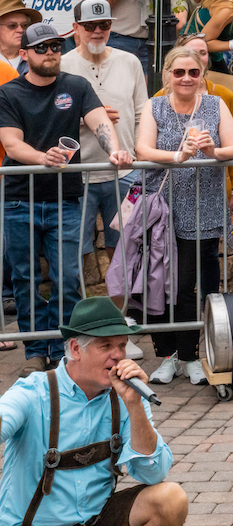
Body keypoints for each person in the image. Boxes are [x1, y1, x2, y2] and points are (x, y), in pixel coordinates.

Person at [0, 23, 133, 372]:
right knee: (25, 278)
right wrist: (42, 158)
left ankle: (64, 351)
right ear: (25, 54)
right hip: (19, 200)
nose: (51, 54)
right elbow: (12, 144)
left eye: (56, 47)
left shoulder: (76, 86)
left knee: (68, 278)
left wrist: (115, 151)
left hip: (66, 199)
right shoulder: (8, 92)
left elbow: (100, 121)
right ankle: (34, 350)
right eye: (42, 48)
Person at [0, 297, 187, 526]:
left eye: (121, 345)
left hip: (97, 519)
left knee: (171, 499)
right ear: (76, 349)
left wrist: (135, 406)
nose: (118, 355)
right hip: (36, 522)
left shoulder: (127, 394)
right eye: (106, 346)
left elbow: (152, 473)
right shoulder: (33, 392)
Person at [134, 45, 233, 385]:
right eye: (178, 72)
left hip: (203, 204)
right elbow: (143, 149)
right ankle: (168, 355)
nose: (186, 78)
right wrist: (177, 156)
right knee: (160, 283)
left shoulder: (215, 103)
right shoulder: (155, 105)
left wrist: (213, 151)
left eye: (193, 72)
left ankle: (189, 355)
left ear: (202, 75)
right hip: (163, 207)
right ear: (167, 74)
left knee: (188, 285)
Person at [62, 0, 148, 275]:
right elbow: (51, 119)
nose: (97, 31)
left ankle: (123, 315)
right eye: (89, 25)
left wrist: (136, 157)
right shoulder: (61, 65)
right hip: (78, 173)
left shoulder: (130, 62)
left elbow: (140, 116)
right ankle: (78, 315)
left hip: (124, 174)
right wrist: (88, 118)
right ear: (76, 27)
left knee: (126, 249)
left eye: (104, 24)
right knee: (75, 252)